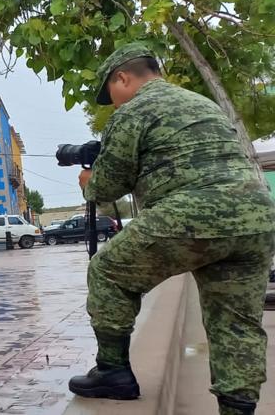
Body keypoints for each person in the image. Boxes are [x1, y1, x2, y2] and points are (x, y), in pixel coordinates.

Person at [68, 42, 275, 415]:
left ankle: (112, 371)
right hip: (256, 218)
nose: (113, 105)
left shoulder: (134, 110)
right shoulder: (203, 104)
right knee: (237, 321)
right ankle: (238, 409)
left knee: (108, 271)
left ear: (123, 78)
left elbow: (107, 187)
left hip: (193, 213)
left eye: (111, 95)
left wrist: (88, 181)